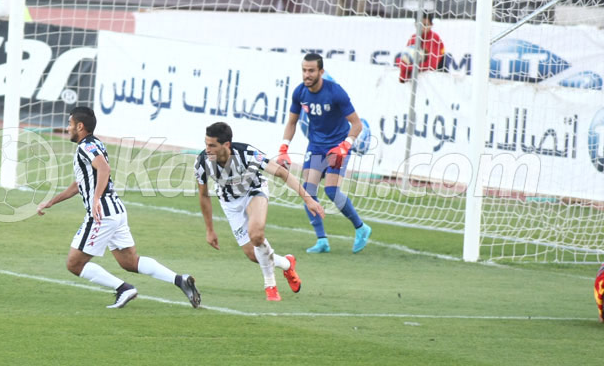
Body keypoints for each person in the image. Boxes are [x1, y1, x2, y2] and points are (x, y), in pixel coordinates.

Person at [37, 106, 200, 309]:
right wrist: (52, 201)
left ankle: (123, 289)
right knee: (130, 262)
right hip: (116, 211)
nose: (67, 128)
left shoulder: (86, 147)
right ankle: (179, 280)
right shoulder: (95, 144)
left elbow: (104, 168)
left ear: (80, 126)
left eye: (70, 124)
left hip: (102, 213)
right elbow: (80, 183)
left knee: (74, 264)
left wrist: (96, 199)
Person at [195, 122, 325, 301]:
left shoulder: (247, 154)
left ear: (226, 145)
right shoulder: (203, 162)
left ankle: (270, 285)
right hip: (230, 203)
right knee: (253, 255)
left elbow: (281, 173)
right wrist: (209, 230)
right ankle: (287, 264)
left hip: (254, 191)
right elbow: (203, 196)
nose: (207, 149)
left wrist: (308, 199)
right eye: (206, 144)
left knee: (256, 235)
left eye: (212, 145)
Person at [276, 53, 372, 254]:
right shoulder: (300, 93)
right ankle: (322, 240)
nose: (307, 74)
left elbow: (357, 124)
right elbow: (292, 122)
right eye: (304, 70)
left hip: (337, 146)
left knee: (331, 191)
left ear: (321, 71)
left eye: (311, 71)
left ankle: (361, 228)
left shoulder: (335, 92)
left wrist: (345, 145)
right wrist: (284, 148)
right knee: (307, 192)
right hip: (316, 146)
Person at [397, 12, 446, 83]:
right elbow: (402, 62)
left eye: (425, 25)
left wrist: (409, 67)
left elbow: (431, 65)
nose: (423, 28)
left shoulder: (435, 38)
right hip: (418, 72)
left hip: (437, 75)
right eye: (420, 25)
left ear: (431, 25)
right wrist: (404, 74)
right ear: (415, 25)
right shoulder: (413, 38)